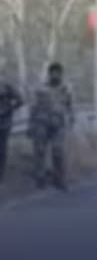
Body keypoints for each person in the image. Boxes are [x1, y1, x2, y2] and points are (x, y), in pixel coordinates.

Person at [29, 62, 74, 191]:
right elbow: (33, 106)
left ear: (61, 74)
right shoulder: (41, 88)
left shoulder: (66, 88)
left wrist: (71, 119)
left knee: (58, 151)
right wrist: (31, 124)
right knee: (40, 151)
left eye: (58, 73)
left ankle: (59, 180)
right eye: (53, 73)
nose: (56, 75)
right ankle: (40, 178)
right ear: (49, 74)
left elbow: (70, 106)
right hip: (41, 122)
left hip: (58, 124)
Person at [0, 77, 23, 183]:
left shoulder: (5, 84)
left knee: (1, 149)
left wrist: (8, 109)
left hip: (3, 123)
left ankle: (1, 175)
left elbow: (20, 100)